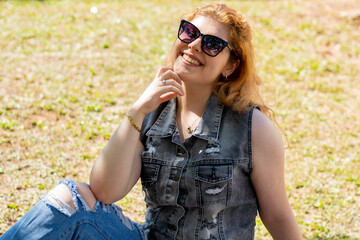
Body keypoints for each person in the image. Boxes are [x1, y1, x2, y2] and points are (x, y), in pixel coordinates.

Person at [1, 3, 303, 240]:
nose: (195, 45)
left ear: (231, 66)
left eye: (211, 44)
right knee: (70, 196)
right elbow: (104, 191)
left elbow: (277, 216)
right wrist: (136, 112)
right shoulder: (153, 112)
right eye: (189, 32)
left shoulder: (253, 128)